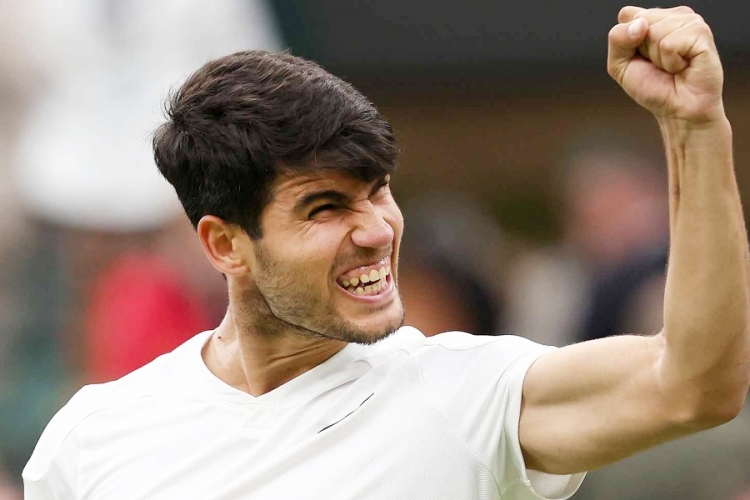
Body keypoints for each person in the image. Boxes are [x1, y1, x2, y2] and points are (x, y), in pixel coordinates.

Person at [23, 6, 750, 499]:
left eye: (378, 192)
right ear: (225, 244)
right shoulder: (92, 439)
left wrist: (696, 131)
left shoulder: (468, 393)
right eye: (325, 207)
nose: (375, 229)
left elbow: (693, 385)